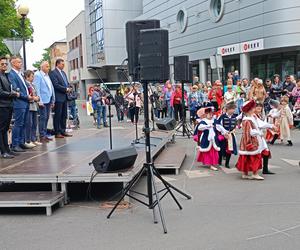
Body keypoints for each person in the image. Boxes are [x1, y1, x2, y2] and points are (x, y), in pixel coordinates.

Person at [236, 100, 268, 180]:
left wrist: (270, 126)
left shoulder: (251, 118)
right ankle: (255, 173)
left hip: (246, 141)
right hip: (250, 141)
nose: (254, 109)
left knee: (246, 156)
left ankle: (245, 173)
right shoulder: (247, 120)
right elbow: (250, 132)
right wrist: (259, 133)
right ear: (249, 110)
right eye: (253, 108)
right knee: (255, 157)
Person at [8, 56, 34, 152]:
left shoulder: (20, 74)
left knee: (23, 123)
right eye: (18, 62)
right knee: (18, 124)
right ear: (13, 63)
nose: (21, 64)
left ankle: (21, 142)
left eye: (21, 62)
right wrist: (26, 96)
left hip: (25, 102)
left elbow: (24, 87)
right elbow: (14, 89)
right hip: (19, 103)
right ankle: (15, 144)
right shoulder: (11, 74)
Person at [196, 106, 228, 171]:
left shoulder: (214, 121)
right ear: (206, 114)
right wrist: (207, 126)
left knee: (213, 151)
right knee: (207, 150)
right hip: (206, 138)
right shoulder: (204, 121)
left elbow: (220, 127)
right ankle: (210, 163)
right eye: (209, 114)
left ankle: (212, 164)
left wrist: (225, 132)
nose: (211, 115)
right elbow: (200, 128)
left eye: (212, 114)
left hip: (214, 139)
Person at [0, 56, 19, 158]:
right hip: (2, 106)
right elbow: (1, 92)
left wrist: (14, 92)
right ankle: (3, 152)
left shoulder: (5, 75)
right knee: (1, 129)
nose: (4, 65)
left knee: (6, 128)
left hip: (8, 105)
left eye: (5, 64)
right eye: (2, 64)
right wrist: (13, 94)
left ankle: (7, 149)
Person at [49, 59, 72, 138]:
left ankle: (63, 130)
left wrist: (69, 87)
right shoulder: (53, 73)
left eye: (63, 64)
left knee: (64, 115)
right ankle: (57, 132)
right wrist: (65, 89)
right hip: (58, 97)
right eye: (62, 64)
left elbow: (66, 83)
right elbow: (56, 85)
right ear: (57, 64)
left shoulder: (63, 73)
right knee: (58, 115)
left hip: (65, 97)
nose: (63, 65)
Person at [33, 61, 55, 143]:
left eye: (48, 66)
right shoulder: (38, 75)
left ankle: (45, 134)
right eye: (47, 66)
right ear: (42, 67)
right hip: (42, 101)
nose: (48, 68)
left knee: (46, 118)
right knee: (43, 118)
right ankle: (42, 135)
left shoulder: (47, 75)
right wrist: (40, 100)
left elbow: (50, 87)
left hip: (48, 99)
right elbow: (37, 88)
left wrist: (53, 99)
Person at [254, 102, 275, 174]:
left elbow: (262, 124)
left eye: (260, 108)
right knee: (254, 153)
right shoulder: (253, 116)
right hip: (254, 137)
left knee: (266, 151)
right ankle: (251, 169)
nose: (259, 109)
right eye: (257, 107)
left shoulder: (259, 115)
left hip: (259, 136)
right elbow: (260, 124)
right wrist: (271, 126)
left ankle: (265, 169)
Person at [217, 102, 238, 168]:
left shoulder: (234, 117)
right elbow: (218, 125)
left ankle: (227, 163)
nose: (233, 110)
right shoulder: (222, 116)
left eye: (234, 109)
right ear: (227, 109)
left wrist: (234, 129)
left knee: (229, 149)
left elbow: (235, 125)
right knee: (221, 149)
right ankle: (219, 161)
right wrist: (224, 132)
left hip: (231, 136)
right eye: (231, 109)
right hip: (223, 135)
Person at [24, 70, 41, 147]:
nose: (33, 78)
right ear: (27, 77)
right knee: (29, 123)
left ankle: (34, 139)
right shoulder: (26, 84)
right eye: (32, 76)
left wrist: (38, 98)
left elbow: (36, 93)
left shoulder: (33, 85)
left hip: (35, 106)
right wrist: (34, 98)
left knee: (34, 123)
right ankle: (28, 140)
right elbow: (28, 95)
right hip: (30, 106)